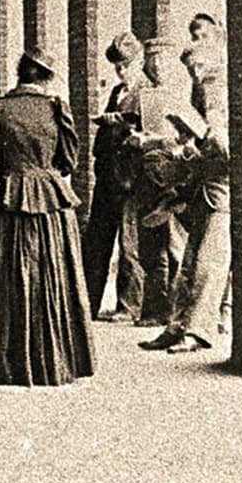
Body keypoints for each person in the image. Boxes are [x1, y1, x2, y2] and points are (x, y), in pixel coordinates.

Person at [0, 46, 95, 386]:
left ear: (19, 73)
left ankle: (9, 365)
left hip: (10, 198)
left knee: (10, 275)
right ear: (46, 78)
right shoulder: (56, 108)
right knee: (53, 272)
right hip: (50, 199)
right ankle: (57, 360)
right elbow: (68, 162)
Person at [140, 43, 231, 353]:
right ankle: (176, 327)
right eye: (191, 69)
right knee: (188, 266)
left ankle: (197, 333)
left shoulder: (221, 95)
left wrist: (200, 142)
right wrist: (186, 145)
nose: (196, 74)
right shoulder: (200, 95)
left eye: (200, 67)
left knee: (209, 266)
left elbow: (227, 151)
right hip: (202, 190)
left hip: (220, 193)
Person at [82, 31, 146, 321]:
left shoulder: (145, 92)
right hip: (108, 175)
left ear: (139, 62)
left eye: (126, 65)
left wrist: (119, 123)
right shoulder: (117, 92)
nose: (121, 71)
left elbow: (147, 130)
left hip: (130, 178)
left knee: (129, 243)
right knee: (97, 239)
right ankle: (88, 303)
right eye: (117, 66)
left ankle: (128, 306)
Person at [132, 38, 190, 326]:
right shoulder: (145, 95)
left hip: (173, 177)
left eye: (162, 62)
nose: (157, 68)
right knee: (151, 248)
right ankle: (155, 309)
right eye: (152, 63)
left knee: (176, 246)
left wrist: (154, 140)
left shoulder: (184, 94)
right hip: (148, 176)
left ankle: (176, 312)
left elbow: (188, 138)